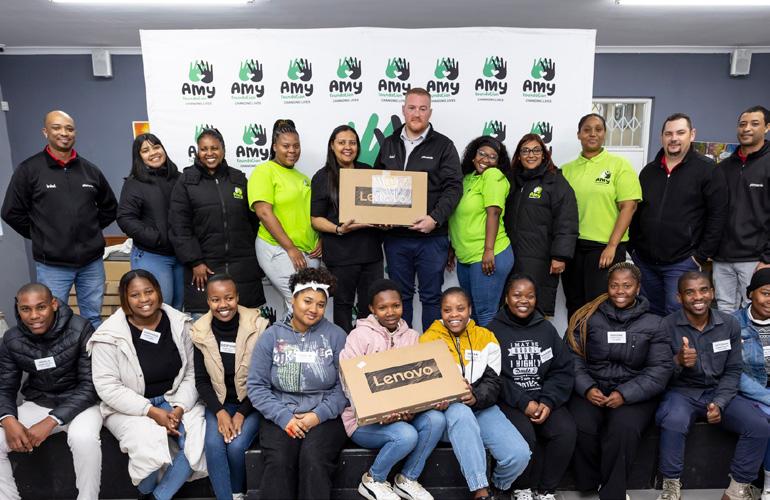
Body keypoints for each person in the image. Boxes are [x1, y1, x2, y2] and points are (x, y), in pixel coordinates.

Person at [88, 270, 207, 500]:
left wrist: (179, 408)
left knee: (196, 441)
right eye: (135, 295)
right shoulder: (108, 335)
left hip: (175, 398)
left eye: (148, 291)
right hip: (129, 407)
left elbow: (193, 372)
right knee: (148, 445)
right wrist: (151, 411)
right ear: (125, 299)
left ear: (158, 292)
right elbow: (107, 386)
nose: (144, 299)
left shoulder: (180, 324)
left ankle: (157, 497)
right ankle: (146, 491)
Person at [656, 271, 770, 500]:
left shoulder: (728, 324)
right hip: (682, 392)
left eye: (703, 290)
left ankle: (738, 488)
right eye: (690, 292)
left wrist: (719, 402)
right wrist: (678, 362)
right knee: (674, 421)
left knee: (758, 425)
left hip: (720, 390)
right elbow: (656, 373)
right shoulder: (666, 326)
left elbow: (733, 370)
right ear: (679, 297)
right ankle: (671, 486)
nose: (698, 297)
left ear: (713, 293)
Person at [1, 110, 118, 328]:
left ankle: (90, 351)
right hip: (52, 266)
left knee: (92, 318)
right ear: (45, 132)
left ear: (75, 133)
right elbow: (10, 212)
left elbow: (110, 208)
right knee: (53, 321)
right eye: (56, 127)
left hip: (91, 262)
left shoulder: (90, 170)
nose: (64, 133)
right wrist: (42, 235)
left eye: (69, 128)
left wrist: (90, 229)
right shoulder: (29, 170)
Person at [566, 262, 672, 500]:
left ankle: (613, 492)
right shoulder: (588, 317)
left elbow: (660, 370)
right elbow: (572, 358)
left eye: (627, 285)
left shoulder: (655, 324)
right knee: (581, 425)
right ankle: (590, 481)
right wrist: (587, 388)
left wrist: (625, 394)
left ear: (638, 288)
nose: (620, 291)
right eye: (614, 285)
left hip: (634, 393)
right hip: (593, 387)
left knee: (623, 428)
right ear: (608, 287)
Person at [247, 268, 348, 500]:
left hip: (325, 416)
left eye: (321, 304)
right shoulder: (271, 336)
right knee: (280, 460)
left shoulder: (336, 336)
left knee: (314, 459)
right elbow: (256, 386)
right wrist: (285, 418)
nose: (314, 309)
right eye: (307, 301)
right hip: (281, 414)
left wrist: (317, 416)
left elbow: (345, 387)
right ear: (293, 299)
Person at [421, 287, 531, 500]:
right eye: (447, 310)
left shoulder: (486, 337)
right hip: (450, 411)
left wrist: (476, 397)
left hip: (481, 406)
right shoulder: (428, 340)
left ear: (470, 310)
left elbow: (493, 380)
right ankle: (480, 491)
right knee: (461, 413)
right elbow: (426, 383)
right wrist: (441, 398)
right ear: (441, 312)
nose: (454, 315)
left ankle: (496, 487)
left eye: (460, 308)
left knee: (519, 455)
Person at [340, 279, 445, 500]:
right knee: (406, 435)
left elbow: (418, 382)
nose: (390, 312)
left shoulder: (412, 336)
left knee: (436, 420)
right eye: (383, 307)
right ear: (372, 308)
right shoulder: (359, 336)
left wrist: (414, 409)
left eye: (396, 305)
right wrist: (380, 413)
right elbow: (349, 383)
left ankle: (407, 479)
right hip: (363, 421)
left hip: (403, 415)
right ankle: (373, 480)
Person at [0, 283, 102, 500]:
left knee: (84, 438)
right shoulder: (11, 339)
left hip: (81, 405)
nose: (34, 316)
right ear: (18, 308)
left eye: (41, 307)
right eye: (26, 309)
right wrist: (7, 419)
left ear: (53, 304)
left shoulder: (81, 328)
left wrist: (51, 421)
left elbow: (90, 386)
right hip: (40, 402)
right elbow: (5, 387)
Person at [374, 88, 462, 330]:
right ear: (403, 110)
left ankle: (430, 347)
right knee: (399, 298)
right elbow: (376, 183)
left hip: (431, 238)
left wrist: (435, 218)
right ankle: (404, 348)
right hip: (396, 238)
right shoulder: (389, 143)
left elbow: (454, 187)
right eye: (412, 108)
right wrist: (380, 216)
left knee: (432, 297)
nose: (417, 113)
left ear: (429, 112)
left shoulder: (444, 145)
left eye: (423, 109)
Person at [630, 113, 728, 316]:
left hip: (682, 261)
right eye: (669, 134)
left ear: (692, 135)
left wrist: (699, 256)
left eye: (680, 133)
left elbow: (718, 215)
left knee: (677, 315)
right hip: (645, 262)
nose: (674, 138)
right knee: (649, 314)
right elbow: (637, 211)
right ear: (662, 137)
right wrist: (633, 248)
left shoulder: (708, 170)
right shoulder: (648, 171)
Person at [488, 275, 576, 500]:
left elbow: (562, 370)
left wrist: (548, 401)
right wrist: (523, 402)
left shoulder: (546, 329)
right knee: (524, 434)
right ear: (506, 298)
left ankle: (546, 490)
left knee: (565, 431)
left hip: (543, 397)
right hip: (510, 401)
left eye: (530, 296)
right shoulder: (492, 331)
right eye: (517, 295)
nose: (523, 301)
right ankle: (522, 488)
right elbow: (492, 377)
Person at [169, 128, 265, 316]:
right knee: (204, 326)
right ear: (197, 151)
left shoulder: (238, 179)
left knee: (249, 325)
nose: (209, 153)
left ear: (223, 150)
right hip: (205, 268)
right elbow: (179, 227)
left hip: (243, 267)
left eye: (214, 148)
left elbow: (253, 222)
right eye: (204, 149)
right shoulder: (186, 182)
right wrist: (195, 261)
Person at [190, 274, 269, 500]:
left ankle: (237, 493)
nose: (223, 305)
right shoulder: (199, 331)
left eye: (229, 298)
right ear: (208, 301)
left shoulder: (259, 327)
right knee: (214, 446)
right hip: (219, 404)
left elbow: (264, 379)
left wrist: (242, 413)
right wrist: (220, 412)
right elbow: (201, 381)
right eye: (215, 300)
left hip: (251, 403)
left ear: (238, 297)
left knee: (236, 447)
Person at [561, 113, 642, 319]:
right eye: (587, 130)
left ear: (604, 133)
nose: (592, 134)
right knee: (575, 303)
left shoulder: (619, 166)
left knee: (600, 305)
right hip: (573, 248)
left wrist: (612, 246)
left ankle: (599, 341)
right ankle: (576, 339)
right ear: (579, 134)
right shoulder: (566, 170)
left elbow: (629, 207)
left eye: (598, 129)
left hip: (605, 248)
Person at [311, 125, 383, 332]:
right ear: (332, 146)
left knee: (370, 305)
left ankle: (367, 347)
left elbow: (381, 208)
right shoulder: (322, 177)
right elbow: (316, 219)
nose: (347, 147)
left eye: (352, 142)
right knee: (343, 305)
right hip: (341, 254)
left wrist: (385, 221)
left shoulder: (368, 171)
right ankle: (344, 349)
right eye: (342, 142)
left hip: (371, 253)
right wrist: (339, 229)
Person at [249, 119, 321, 314]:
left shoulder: (303, 178)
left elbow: (310, 214)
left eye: (296, 146)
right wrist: (290, 248)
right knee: (300, 301)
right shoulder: (264, 171)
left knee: (299, 305)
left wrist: (320, 239)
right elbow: (264, 212)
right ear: (274, 146)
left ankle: (287, 335)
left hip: (308, 253)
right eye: (286, 146)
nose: (292, 150)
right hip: (279, 249)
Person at [504, 133, 578, 317]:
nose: (531, 155)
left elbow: (567, 220)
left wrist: (560, 255)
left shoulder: (555, 181)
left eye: (536, 150)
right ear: (518, 156)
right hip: (511, 257)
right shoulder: (511, 181)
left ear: (544, 155)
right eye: (525, 151)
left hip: (541, 259)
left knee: (536, 305)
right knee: (511, 305)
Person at [447, 136, 514, 326]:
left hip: (488, 254)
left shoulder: (493, 176)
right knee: (472, 315)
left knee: (485, 314)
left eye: (492, 157)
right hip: (466, 256)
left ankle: (492, 348)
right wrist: (453, 247)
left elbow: (493, 213)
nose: (486, 159)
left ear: (498, 162)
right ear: (473, 155)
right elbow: (460, 217)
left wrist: (488, 250)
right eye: (482, 153)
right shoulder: (467, 178)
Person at [118, 133, 184, 309]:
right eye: (145, 150)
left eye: (156, 147)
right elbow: (125, 218)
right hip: (152, 254)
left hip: (180, 255)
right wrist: (156, 238)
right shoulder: (134, 183)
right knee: (158, 307)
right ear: (139, 156)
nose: (153, 152)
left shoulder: (179, 178)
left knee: (177, 310)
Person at [713, 105, 770, 312]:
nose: (746, 128)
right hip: (721, 258)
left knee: (754, 310)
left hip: (755, 258)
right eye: (742, 124)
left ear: (767, 127)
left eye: (754, 124)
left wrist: (767, 258)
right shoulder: (723, 167)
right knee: (724, 309)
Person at [733, 268, 770, 500]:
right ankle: (768, 486)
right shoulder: (732, 324)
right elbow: (734, 372)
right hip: (749, 393)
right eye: (766, 293)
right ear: (750, 294)